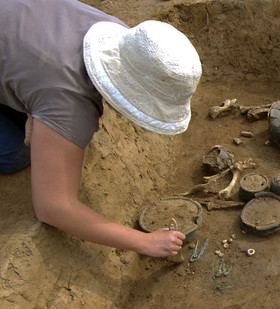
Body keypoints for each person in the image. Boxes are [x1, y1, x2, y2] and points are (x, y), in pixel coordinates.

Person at [0, 0, 202, 258]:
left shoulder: (119, 35)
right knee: (16, 153)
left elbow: (32, 50)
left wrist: (32, 109)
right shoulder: (70, 103)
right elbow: (52, 208)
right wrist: (143, 242)